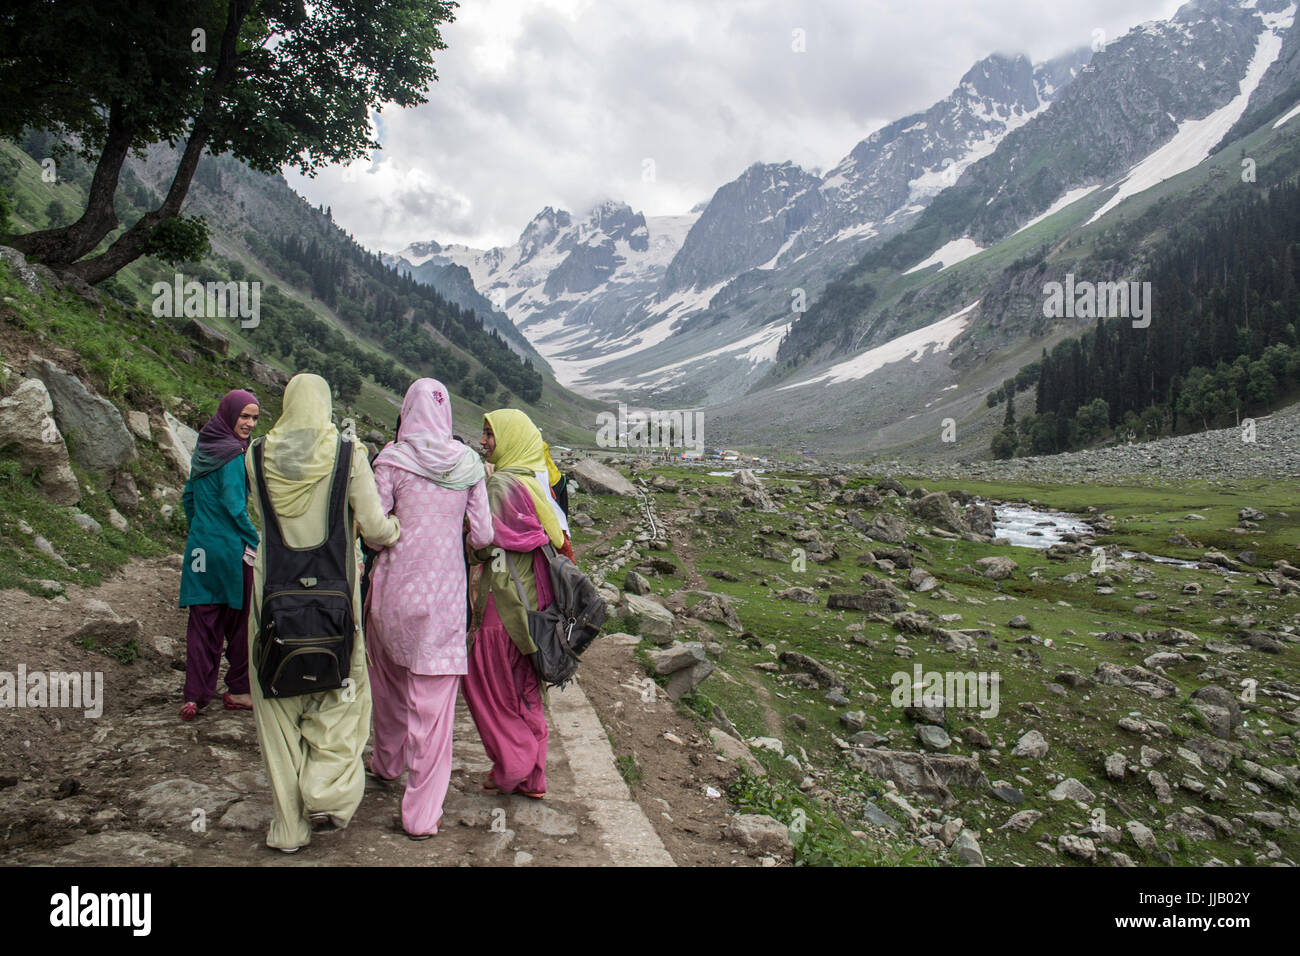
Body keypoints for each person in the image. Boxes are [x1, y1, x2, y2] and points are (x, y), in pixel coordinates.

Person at [245, 373, 400, 853]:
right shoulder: (348, 454)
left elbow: (256, 518)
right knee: (343, 695)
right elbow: (373, 525)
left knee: (275, 708)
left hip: (272, 598)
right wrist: (392, 532)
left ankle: (288, 829)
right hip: (336, 600)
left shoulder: (254, 455)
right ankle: (325, 791)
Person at [365, 379, 493, 839]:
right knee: (434, 710)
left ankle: (385, 762)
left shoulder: (390, 459)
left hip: (394, 591)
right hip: (443, 597)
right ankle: (419, 816)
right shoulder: (469, 465)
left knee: (389, 682)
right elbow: (482, 536)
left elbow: (373, 530)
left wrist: (405, 529)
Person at [462, 409, 568, 799]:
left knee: (484, 680)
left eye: (490, 434)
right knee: (525, 687)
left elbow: (484, 544)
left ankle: (513, 762)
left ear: (509, 439)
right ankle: (533, 777)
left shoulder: (502, 486)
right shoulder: (534, 483)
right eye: (484, 433)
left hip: (504, 602)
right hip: (537, 605)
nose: (484, 441)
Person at [178, 389, 260, 721]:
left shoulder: (206, 446)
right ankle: (239, 690)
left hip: (199, 550)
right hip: (230, 552)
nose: (250, 424)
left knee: (201, 622)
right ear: (231, 415)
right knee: (239, 623)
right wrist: (256, 539)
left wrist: (200, 530)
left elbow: (188, 498)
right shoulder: (233, 456)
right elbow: (234, 506)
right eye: (245, 416)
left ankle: (195, 696)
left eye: (254, 418)